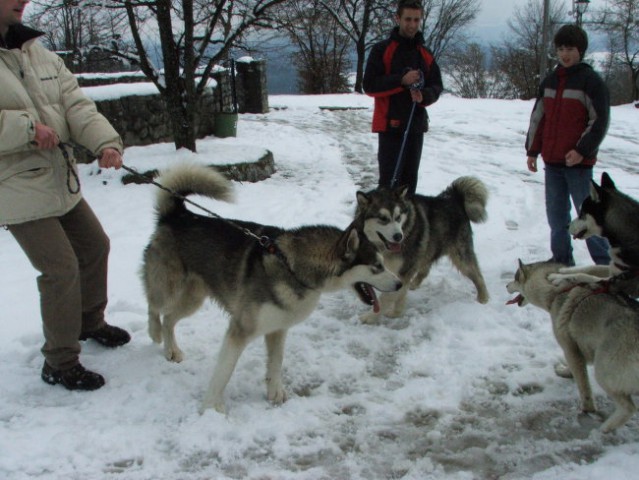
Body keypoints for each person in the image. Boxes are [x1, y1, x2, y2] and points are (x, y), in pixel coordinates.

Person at [0, 0, 130, 391]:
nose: (22, 1)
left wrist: (105, 142)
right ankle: (59, 361)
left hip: (58, 178)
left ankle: (90, 322)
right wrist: (25, 129)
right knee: (60, 270)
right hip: (15, 185)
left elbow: (76, 106)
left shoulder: (39, 54)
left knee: (95, 247)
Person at [525, 24, 610, 267]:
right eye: (561, 48)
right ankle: (562, 261)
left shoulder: (591, 82)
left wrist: (581, 151)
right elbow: (538, 118)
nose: (565, 54)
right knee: (556, 218)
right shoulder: (550, 81)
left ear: (580, 51)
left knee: (588, 220)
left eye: (570, 49)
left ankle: (606, 266)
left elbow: (599, 121)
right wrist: (532, 150)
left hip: (579, 166)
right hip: (552, 163)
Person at [363, 0, 443, 196]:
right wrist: (401, 80)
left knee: (409, 186)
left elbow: (437, 85)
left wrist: (424, 96)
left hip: (415, 126)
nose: (412, 25)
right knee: (388, 186)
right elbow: (370, 85)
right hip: (390, 126)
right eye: (408, 19)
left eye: (416, 20)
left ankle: (408, 226)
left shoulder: (425, 53)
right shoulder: (382, 50)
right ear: (397, 18)